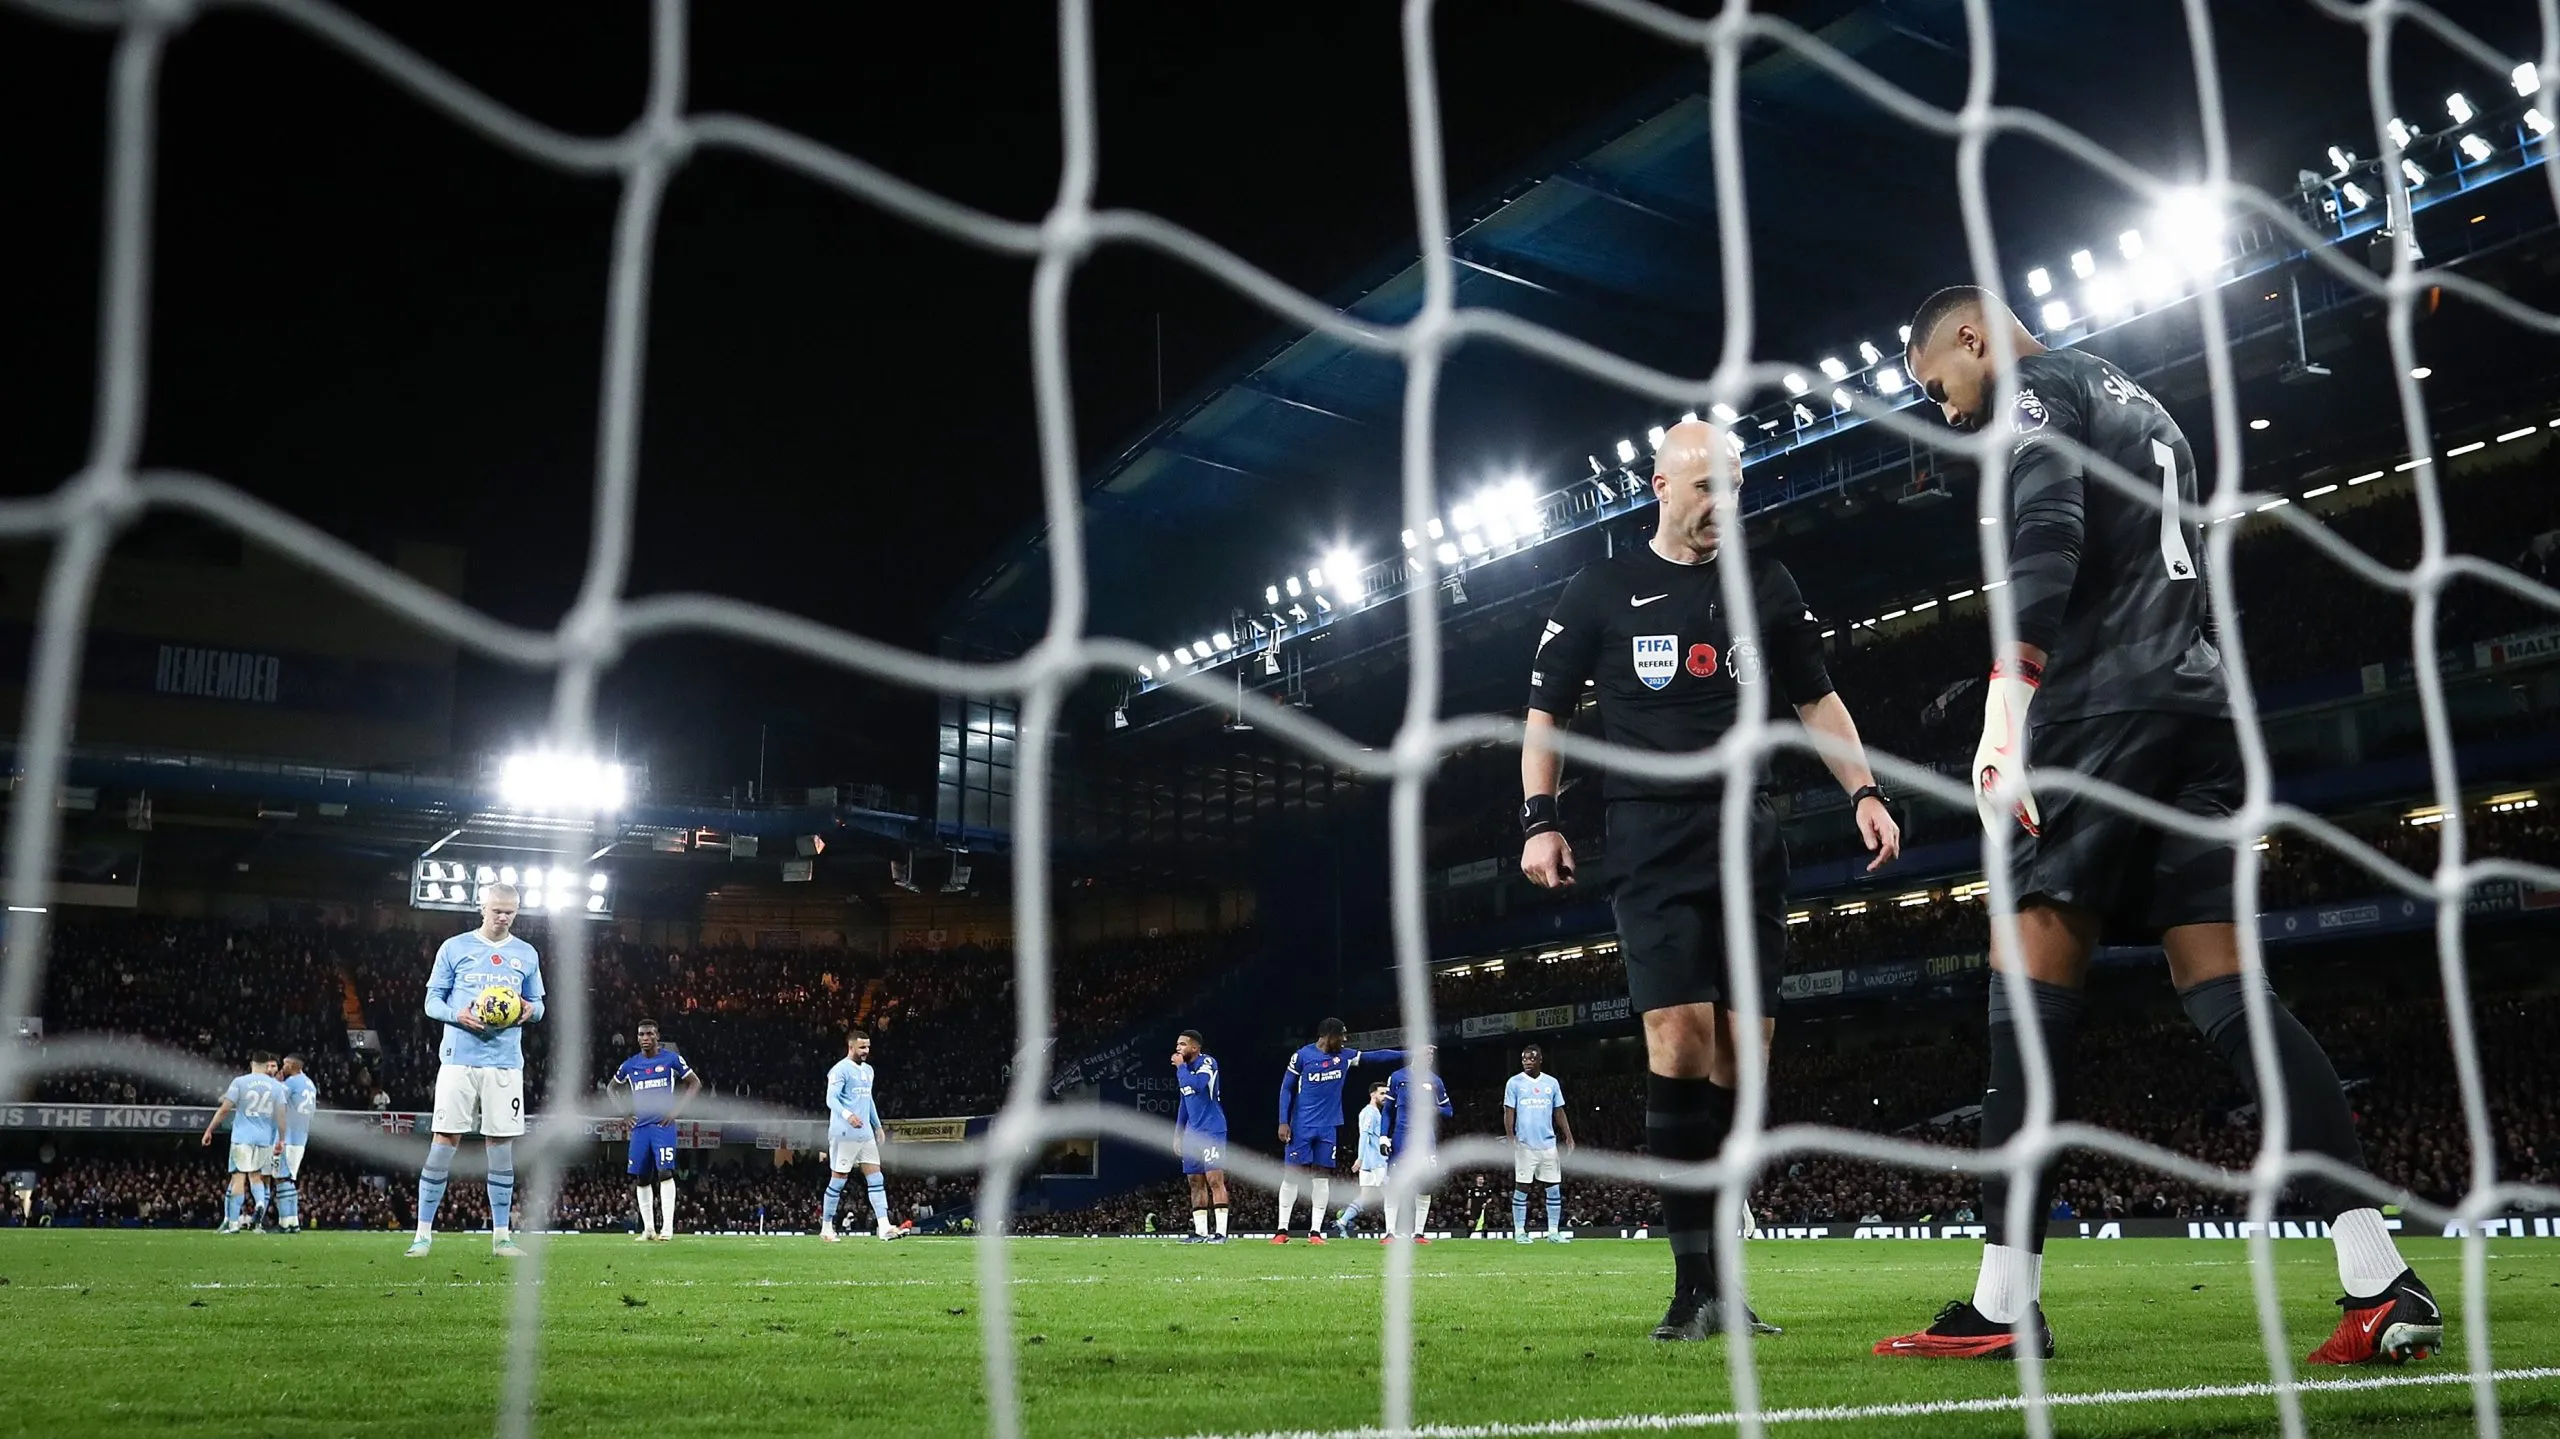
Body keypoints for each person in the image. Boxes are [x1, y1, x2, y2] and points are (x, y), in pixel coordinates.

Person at [1873, 285, 2438, 1366]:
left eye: (1934, 384)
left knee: (2023, 992)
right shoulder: (2143, 402)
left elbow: (2047, 530)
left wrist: (2005, 706)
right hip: (2200, 711)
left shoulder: (2034, 392)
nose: (1944, 413)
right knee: (2229, 992)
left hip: (2102, 719)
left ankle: (2002, 1301)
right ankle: (2380, 1276)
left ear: (1970, 335)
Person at [1522, 418, 1903, 1341]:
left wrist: (1865, 790)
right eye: (1702, 489)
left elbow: (1815, 696)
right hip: (1650, 840)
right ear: (1659, 485)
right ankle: (1688, 1284)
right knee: (1678, 1035)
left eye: (1732, 488)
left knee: (1744, 1061)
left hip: (1750, 839)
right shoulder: (1601, 587)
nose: (1718, 506)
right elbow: (1545, 708)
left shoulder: (1767, 586)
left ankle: (1725, 1283)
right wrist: (1539, 817)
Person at [412, 882, 544, 1258]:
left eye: (510, 912)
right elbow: (431, 1003)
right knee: (444, 1140)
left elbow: (538, 1006)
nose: (502, 917)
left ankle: (501, 1237)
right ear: (482, 908)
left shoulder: (526, 954)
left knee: (500, 1146)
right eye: (496, 910)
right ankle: (423, 1234)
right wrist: (459, 1015)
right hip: (458, 1059)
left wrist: (530, 1011)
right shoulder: (454, 947)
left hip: (505, 1063)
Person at [1272, 1018, 1403, 1244]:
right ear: (1328, 1035)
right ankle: (1282, 1230)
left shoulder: (1344, 1056)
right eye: (1341, 1034)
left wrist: (1408, 1054)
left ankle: (1315, 1232)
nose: (1345, 1039)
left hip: (1328, 1127)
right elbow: (1287, 1088)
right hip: (1301, 1126)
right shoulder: (1302, 1056)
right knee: (1292, 1175)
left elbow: (1375, 1056)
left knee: (1322, 1178)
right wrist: (1283, 1121)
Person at [611, 1019, 699, 1243]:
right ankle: (648, 1229)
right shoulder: (631, 1065)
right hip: (640, 1128)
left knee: (665, 1173)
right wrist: (624, 1114)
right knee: (642, 1176)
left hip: (663, 1126)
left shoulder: (671, 1060)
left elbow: (695, 1083)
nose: (645, 1038)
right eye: (641, 1034)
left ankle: (667, 1228)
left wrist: (676, 1111)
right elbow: (612, 1087)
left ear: (657, 1036)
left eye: (649, 1034)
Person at [198, 1051, 285, 1233]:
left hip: (242, 1138)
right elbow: (281, 1116)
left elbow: (224, 1110)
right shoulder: (276, 1087)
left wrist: (209, 1130)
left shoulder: (240, 1082)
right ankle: (260, 1202)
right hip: (263, 1139)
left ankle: (233, 1224)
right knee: (256, 1177)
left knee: (238, 1177)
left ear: (252, 1063)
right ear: (266, 1064)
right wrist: (281, 1140)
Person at [822, 1031, 896, 1241]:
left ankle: (884, 1227)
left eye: (868, 1047)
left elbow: (868, 1099)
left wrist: (877, 1126)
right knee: (838, 1181)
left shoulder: (869, 1071)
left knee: (876, 1178)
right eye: (862, 1047)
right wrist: (848, 1115)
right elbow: (831, 1099)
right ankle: (827, 1227)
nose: (866, 1051)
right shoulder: (839, 1070)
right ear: (851, 1047)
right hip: (844, 1133)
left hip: (864, 1134)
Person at [1379, 1049, 1453, 1242]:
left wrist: (1433, 1108)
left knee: (1425, 1183)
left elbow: (1449, 1110)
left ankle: (1418, 1233)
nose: (1428, 1059)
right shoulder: (1397, 1077)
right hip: (1401, 1136)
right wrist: (1383, 1137)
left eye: (1430, 1056)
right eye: (1424, 1055)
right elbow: (1387, 1111)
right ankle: (1389, 1232)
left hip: (1425, 1139)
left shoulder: (1434, 1080)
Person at [1504, 1044, 1575, 1243]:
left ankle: (1553, 1232)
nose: (1527, 1061)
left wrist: (1568, 1135)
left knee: (1553, 1188)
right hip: (1525, 1145)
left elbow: (1559, 1111)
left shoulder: (1551, 1083)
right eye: (1524, 1058)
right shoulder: (1514, 1083)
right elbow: (1509, 1111)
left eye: (1531, 1058)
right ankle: (1519, 1231)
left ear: (1540, 1060)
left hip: (1548, 1145)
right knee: (1522, 1187)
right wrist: (1510, 1137)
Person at [1171, 1029, 1230, 1243]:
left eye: (1183, 1044)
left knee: (1214, 1179)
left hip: (1212, 1129)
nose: (1178, 1048)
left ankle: (1221, 1233)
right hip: (1192, 1133)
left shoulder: (1207, 1063)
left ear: (1195, 1048)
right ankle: (1201, 1232)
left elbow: (1197, 1086)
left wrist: (1180, 1067)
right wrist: (1178, 1134)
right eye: (1177, 1044)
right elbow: (1184, 1104)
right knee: (1195, 1181)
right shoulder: (1184, 1071)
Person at [1333, 1082, 1391, 1239]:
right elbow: (1364, 1136)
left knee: (1365, 1195)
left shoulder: (1373, 1112)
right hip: (1376, 1161)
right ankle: (1393, 1231)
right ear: (1373, 1094)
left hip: (1368, 1162)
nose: (1385, 1097)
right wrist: (1359, 1158)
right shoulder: (1370, 1113)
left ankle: (1343, 1221)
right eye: (1382, 1093)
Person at [273, 1054, 317, 1234]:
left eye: (284, 1064)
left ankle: (285, 1224)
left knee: (281, 1178)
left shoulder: (291, 1083)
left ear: (292, 1065)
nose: (282, 1067)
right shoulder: (310, 1084)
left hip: (288, 1137)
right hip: (301, 1136)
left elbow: (276, 1098)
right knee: (289, 1178)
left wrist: (276, 1081)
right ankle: (293, 1223)